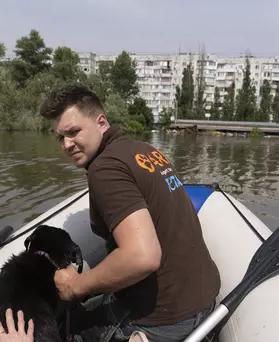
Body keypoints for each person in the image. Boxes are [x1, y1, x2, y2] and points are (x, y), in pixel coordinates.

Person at [38, 83, 221, 342]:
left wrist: (74, 286)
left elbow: (142, 256)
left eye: (73, 132)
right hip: (206, 302)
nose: (67, 144)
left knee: (67, 325)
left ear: (101, 122)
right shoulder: (146, 150)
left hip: (163, 321)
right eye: (60, 137)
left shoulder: (105, 169)